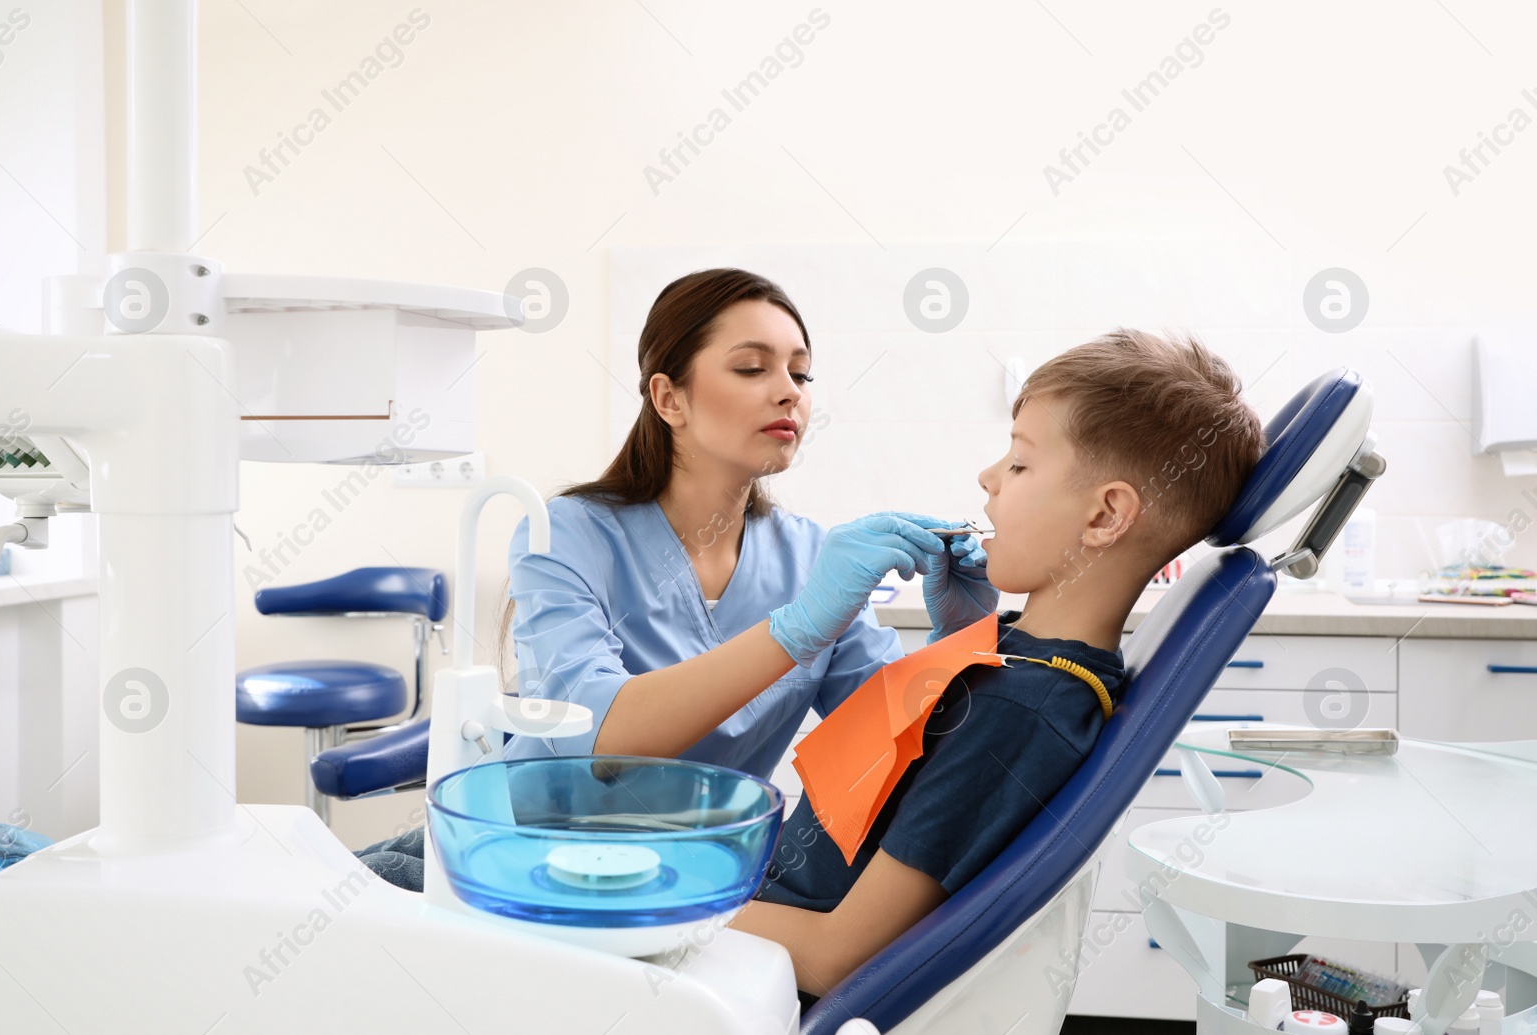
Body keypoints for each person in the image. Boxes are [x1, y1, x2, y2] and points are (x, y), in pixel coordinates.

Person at [354, 268, 997, 886]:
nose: (789, 392)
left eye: (800, 373)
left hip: (683, 875)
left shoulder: (809, 557)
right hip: (516, 854)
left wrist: (963, 637)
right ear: (668, 398)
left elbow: (896, 746)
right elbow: (600, 737)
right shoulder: (569, 532)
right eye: (752, 368)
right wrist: (797, 630)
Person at [725, 328, 1265, 1005]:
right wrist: (954, 639)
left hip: (763, 978)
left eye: (1018, 463)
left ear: (1105, 514)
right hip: (762, 923)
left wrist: (685, 914)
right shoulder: (1024, 659)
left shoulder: (1023, 707)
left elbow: (840, 957)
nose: (987, 477)